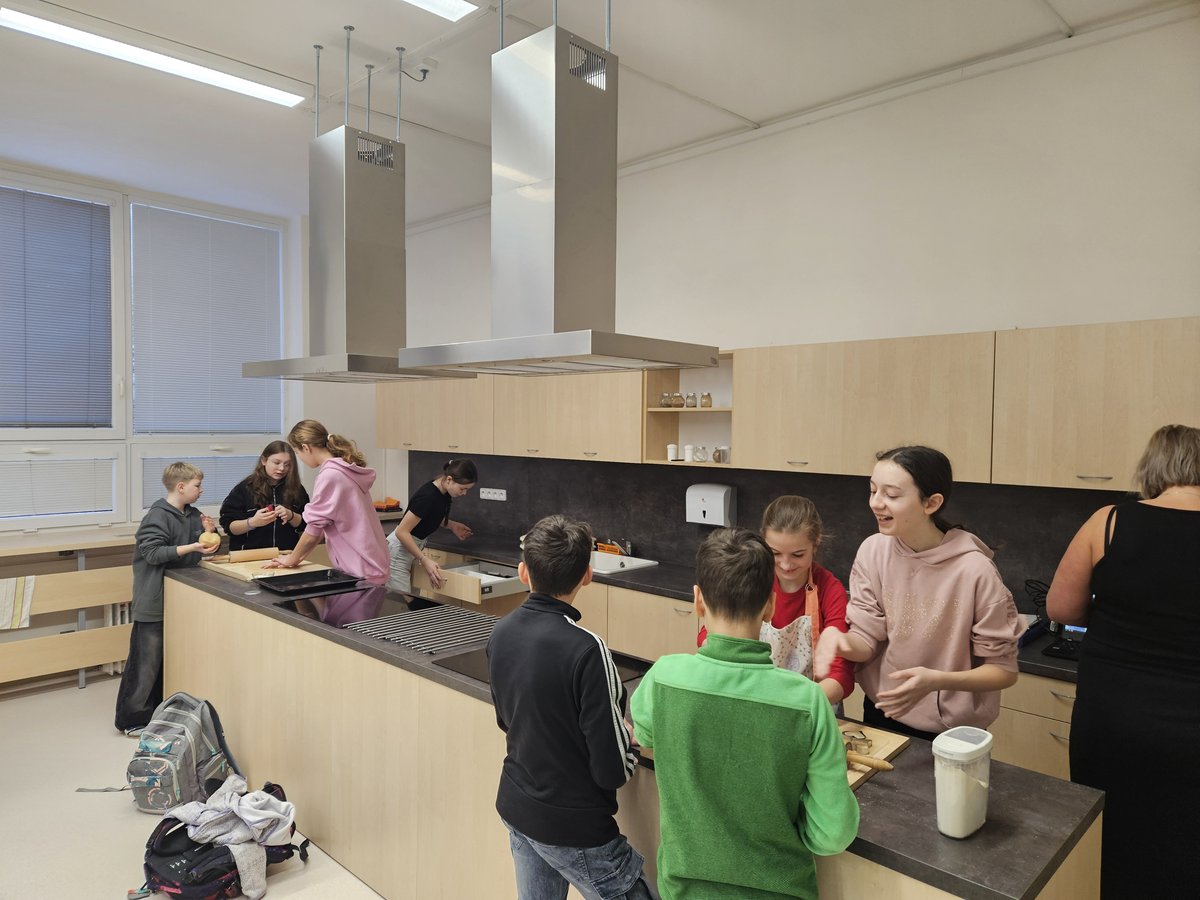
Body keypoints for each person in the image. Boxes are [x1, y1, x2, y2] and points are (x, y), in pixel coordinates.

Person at [631, 527, 858, 900]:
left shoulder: (663, 677)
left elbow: (646, 735)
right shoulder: (808, 701)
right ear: (770, 605)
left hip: (685, 891)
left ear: (698, 600)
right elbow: (832, 834)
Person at [1046, 424, 1200, 899]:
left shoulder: (1108, 522)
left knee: (1111, 834)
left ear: (1152, 467)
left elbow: (1061, 609)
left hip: (1112, 715)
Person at [487, 514, 654, 900]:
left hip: (517, 804)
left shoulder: (501, 631)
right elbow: (611, 770)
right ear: (587, 575)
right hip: (576, 827)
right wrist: (627, 741)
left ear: (523, 572)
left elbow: (506, 721)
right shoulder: (589, 650)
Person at [814, 445, 1024, 741]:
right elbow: (867, 642)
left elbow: (1003, 671)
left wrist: (936, 680)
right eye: (873, 490)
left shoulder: (976, 571)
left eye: (891, 495)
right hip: (883, 710)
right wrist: (839, 640)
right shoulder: (873, 551)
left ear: (931, 503)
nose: (876, 503)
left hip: (952, 730)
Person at [698, 495, 853, 704]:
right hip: (753, 697)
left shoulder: (829, 590)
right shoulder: (751, 579)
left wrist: (796, 704)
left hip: (811, 702)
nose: (786, 565)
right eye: (775, 553)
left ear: (815, 544)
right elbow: (710, 634)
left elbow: (841, 673)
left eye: (798, 555)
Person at [115, 462, 219, 735]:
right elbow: (153, 553)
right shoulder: (157, 517)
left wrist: (211, 534)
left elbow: (204, 548)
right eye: (197, 485)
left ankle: (161, 712)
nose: (201, 490)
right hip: (154, 600)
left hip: (181, 601)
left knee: (170, 660)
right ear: (181, 487)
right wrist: (192, 546)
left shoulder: (193, 515)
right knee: (146, 663)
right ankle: (131, 719)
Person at [264, 420, 388, 585]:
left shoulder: (330, 475)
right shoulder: (344, 470)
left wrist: (292, 558)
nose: (300, 458)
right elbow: (320, 526)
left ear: (306, 448)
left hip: (361, 568)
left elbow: (313, 529)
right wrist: (297, 558)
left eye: (297, 453)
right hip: (371, 563)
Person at [386, 459, 476, 594]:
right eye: (463, 489)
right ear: (449, 479)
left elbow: (428, 515)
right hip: (399, 552)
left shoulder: (442, 492)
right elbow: (402, 532)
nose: (464, 493)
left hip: (411, 549)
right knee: (401, 602)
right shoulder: (427, 496)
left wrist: (451, 525)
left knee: (414, 600)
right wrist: (424, 560)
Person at [219, 441, 309, 552]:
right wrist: (252, 522)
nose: (282, 468)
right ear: (264, 461)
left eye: (287, 464)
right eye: (276, 463)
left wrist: (291, 515)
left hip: (286, 555)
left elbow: (305, 525)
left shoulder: (297, 489)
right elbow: (229, 527)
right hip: (249, 556)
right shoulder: (244, 488)